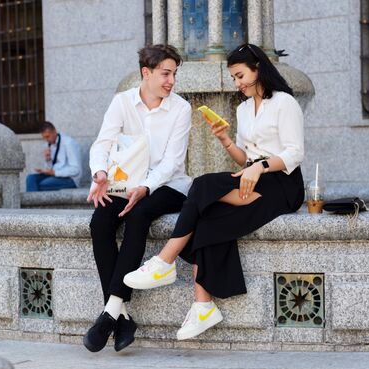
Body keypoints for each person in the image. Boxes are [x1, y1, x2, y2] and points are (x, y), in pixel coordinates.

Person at [123, 43, 305, 340]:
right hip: (254, 177)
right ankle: (203, 306)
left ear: (258, 69)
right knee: (207, 218)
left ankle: (165, 260)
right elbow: (245, 158)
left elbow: (295, 153)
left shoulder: (284, 102)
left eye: (240, 75)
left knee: (202, 184)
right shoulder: (244, 109)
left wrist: (260, 167)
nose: (238, 83)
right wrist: (225, 140)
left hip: (282, 183)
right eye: (234, 77)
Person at [83, 44, 192, 353]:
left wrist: (145, 188)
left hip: (167, 185)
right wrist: (100, 173)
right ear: (147, 73)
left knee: (139, 214)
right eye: (165, 74)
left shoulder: (181, 109)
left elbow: (172, 162)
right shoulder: (122, 103)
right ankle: (123, 318)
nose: (171, 81)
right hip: (126, 182)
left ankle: (109, 312)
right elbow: (102, 144)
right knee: (100, 223)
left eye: (174, 74)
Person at [26, 121, 82, 191]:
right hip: (54, 176)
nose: (46, 140)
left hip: (70, 179)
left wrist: (55, 173)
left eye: (48, 136)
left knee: (42, 184)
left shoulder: (68, 143)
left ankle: (32, 201)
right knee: (31, 178)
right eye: (44, 138)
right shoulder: (48, 144)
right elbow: (50, 168)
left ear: (54, 131)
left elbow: (76, 170)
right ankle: (32, 201)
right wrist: (48, 160)